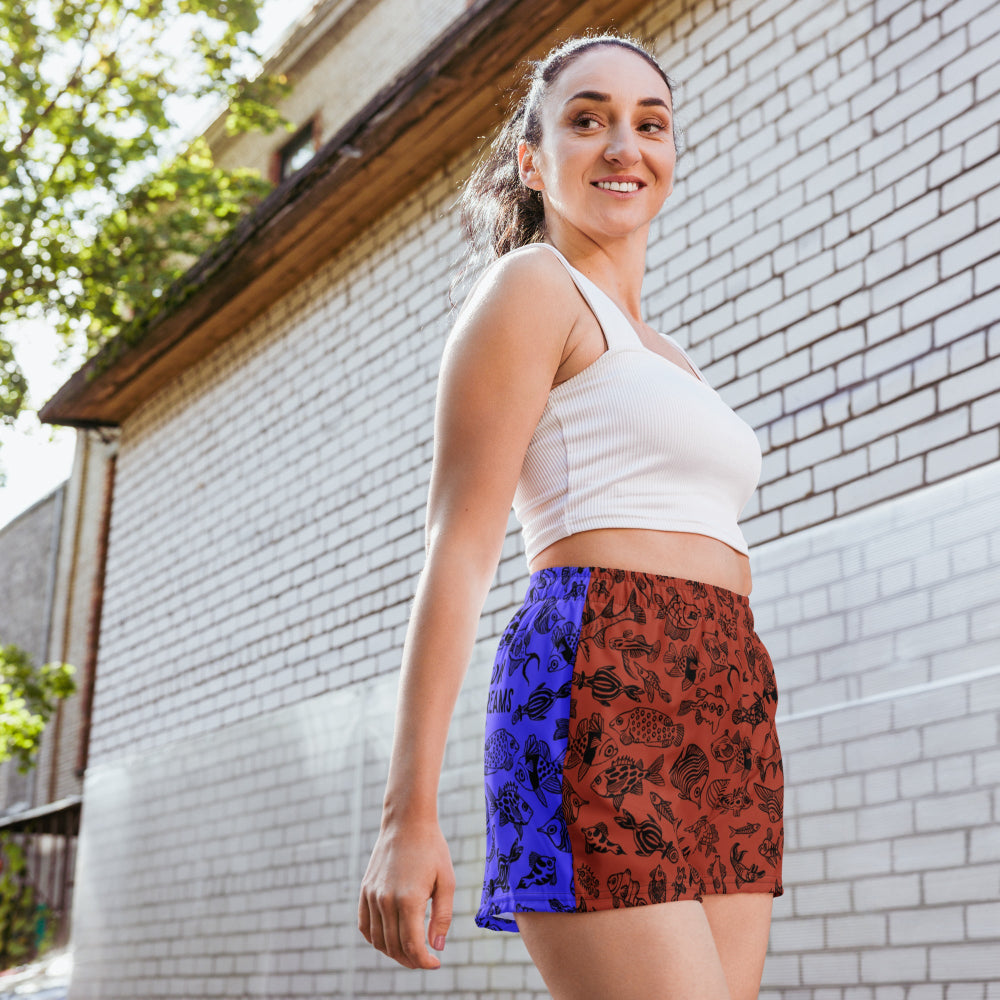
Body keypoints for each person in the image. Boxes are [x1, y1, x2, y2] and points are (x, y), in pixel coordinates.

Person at [358, 32, 783, 1000]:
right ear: (532, 161)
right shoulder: (532, 287)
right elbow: (458, 549)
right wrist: (405, 816)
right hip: (600, 669)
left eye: (650, 124)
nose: (624, 145)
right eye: (588, 120)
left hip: (727, 689)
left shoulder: (671, 354)